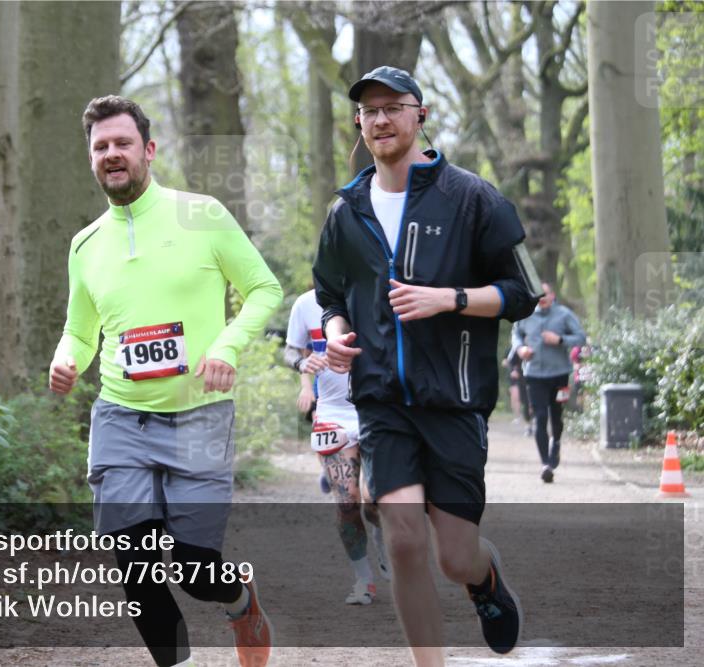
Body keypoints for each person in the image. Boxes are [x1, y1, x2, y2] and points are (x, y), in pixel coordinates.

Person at [312, 66, 542, 665]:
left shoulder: (472, 198)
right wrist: (335, 336)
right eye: (370, 111)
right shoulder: (346, 211)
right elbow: (330, 295)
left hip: (454, 400)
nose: (381, 119)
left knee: (454, 556)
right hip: (381, 402)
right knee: (404, 539)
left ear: (421, 114)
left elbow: (524, 291)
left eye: (394, 107)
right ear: (358, 124)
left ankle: (484, 579)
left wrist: (451, 299)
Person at [50, 95, 282, 667]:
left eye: (122, 143)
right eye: (100, 147)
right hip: (120, 418)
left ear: (148, 150)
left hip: (199, 414)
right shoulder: (85, 244)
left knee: (194, 568)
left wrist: (226, 346)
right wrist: (66, 357)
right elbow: (80, 330)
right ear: (90, 158)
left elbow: (264, 290)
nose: (111, 154)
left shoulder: (202, 216)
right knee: (135, 566)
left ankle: (240, 601)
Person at [285, 289, 391, 606]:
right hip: (332, 411)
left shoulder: (379, 290)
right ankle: (363, 579)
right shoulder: (305, 303)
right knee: (346, 502)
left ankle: (382, 535)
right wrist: (302, 363)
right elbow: (290, 350)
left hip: (378, 407)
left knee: (376, 499)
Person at [511, 283, 587, 483]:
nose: (542, 297)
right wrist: (520, 349)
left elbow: (581, 338)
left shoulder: (564, 314)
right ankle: (545, 464)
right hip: (534, 374)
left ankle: (557, 442)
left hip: (560, 375)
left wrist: (560, 340)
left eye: (545, 294)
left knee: (556, 415)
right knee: (540, 417)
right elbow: (516, 335)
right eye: (538, 294)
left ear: (553, 295)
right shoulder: (525, 314)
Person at [503, 346, 532, 433]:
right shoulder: (513, 349)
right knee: (522, 399)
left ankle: (533, 421)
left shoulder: (535, 345)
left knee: (531, 400)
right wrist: (513, 370)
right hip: (520, 377)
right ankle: (525, 422)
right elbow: (508, 361)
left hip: (534, 376)